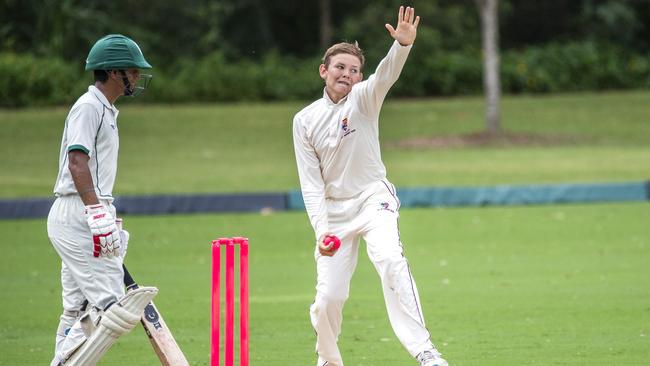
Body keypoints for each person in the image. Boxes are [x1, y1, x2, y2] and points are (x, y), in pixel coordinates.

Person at [292, 6, 449, 366]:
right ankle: (328, 360)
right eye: (340, 67)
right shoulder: (304, 121)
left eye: (353, 69)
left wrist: (402, 46)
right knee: (329, 297)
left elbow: (385, 74)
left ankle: (425, 351)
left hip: (372, 198)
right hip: (333, 212)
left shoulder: (365, 97)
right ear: (324, 71)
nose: (346, 74)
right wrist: (321, 230)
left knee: (392, 260)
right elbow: (311, 184)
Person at [47, 34, 157, 366]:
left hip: (87, 210)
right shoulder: (88, 106)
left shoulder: (105, 108)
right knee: (114, 310)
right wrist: (96, 211)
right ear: (112, 72)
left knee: (77, 309)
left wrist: (102, 209)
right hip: (77, 213)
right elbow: (76, 161)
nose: (137, 77)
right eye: (132, 71)